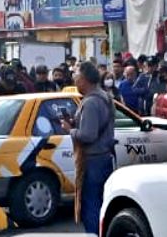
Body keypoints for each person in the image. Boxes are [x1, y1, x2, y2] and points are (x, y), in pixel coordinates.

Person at [60, 62, 114, 235]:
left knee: (90, 203)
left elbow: (89, 135)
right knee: (100, 201)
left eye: (76, 77)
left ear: (84, 79)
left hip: (93, 160)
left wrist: (71, 130)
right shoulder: (105, 97)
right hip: (104, 157)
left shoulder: (91, 102)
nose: (74, 81)